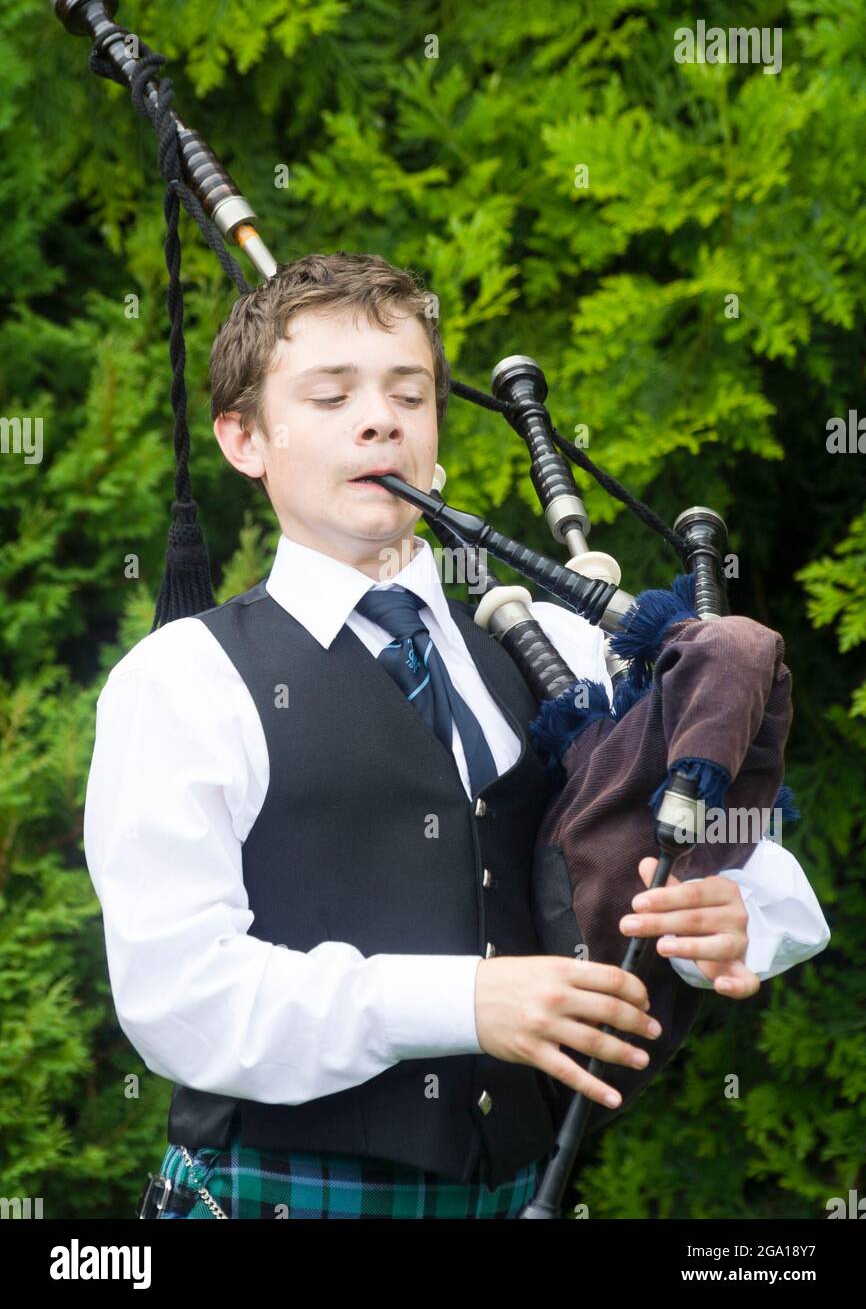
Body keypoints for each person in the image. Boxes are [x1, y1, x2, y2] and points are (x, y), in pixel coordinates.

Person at [83, 253, 830, 1220]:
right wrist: (463, 1002)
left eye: (410, 392)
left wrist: (740, 910)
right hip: (282, 1198)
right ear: (242, 439)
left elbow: (718, 840)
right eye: (328, 396)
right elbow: (177, 995)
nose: (381, 418)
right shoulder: (185, 680)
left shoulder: (551, 648)